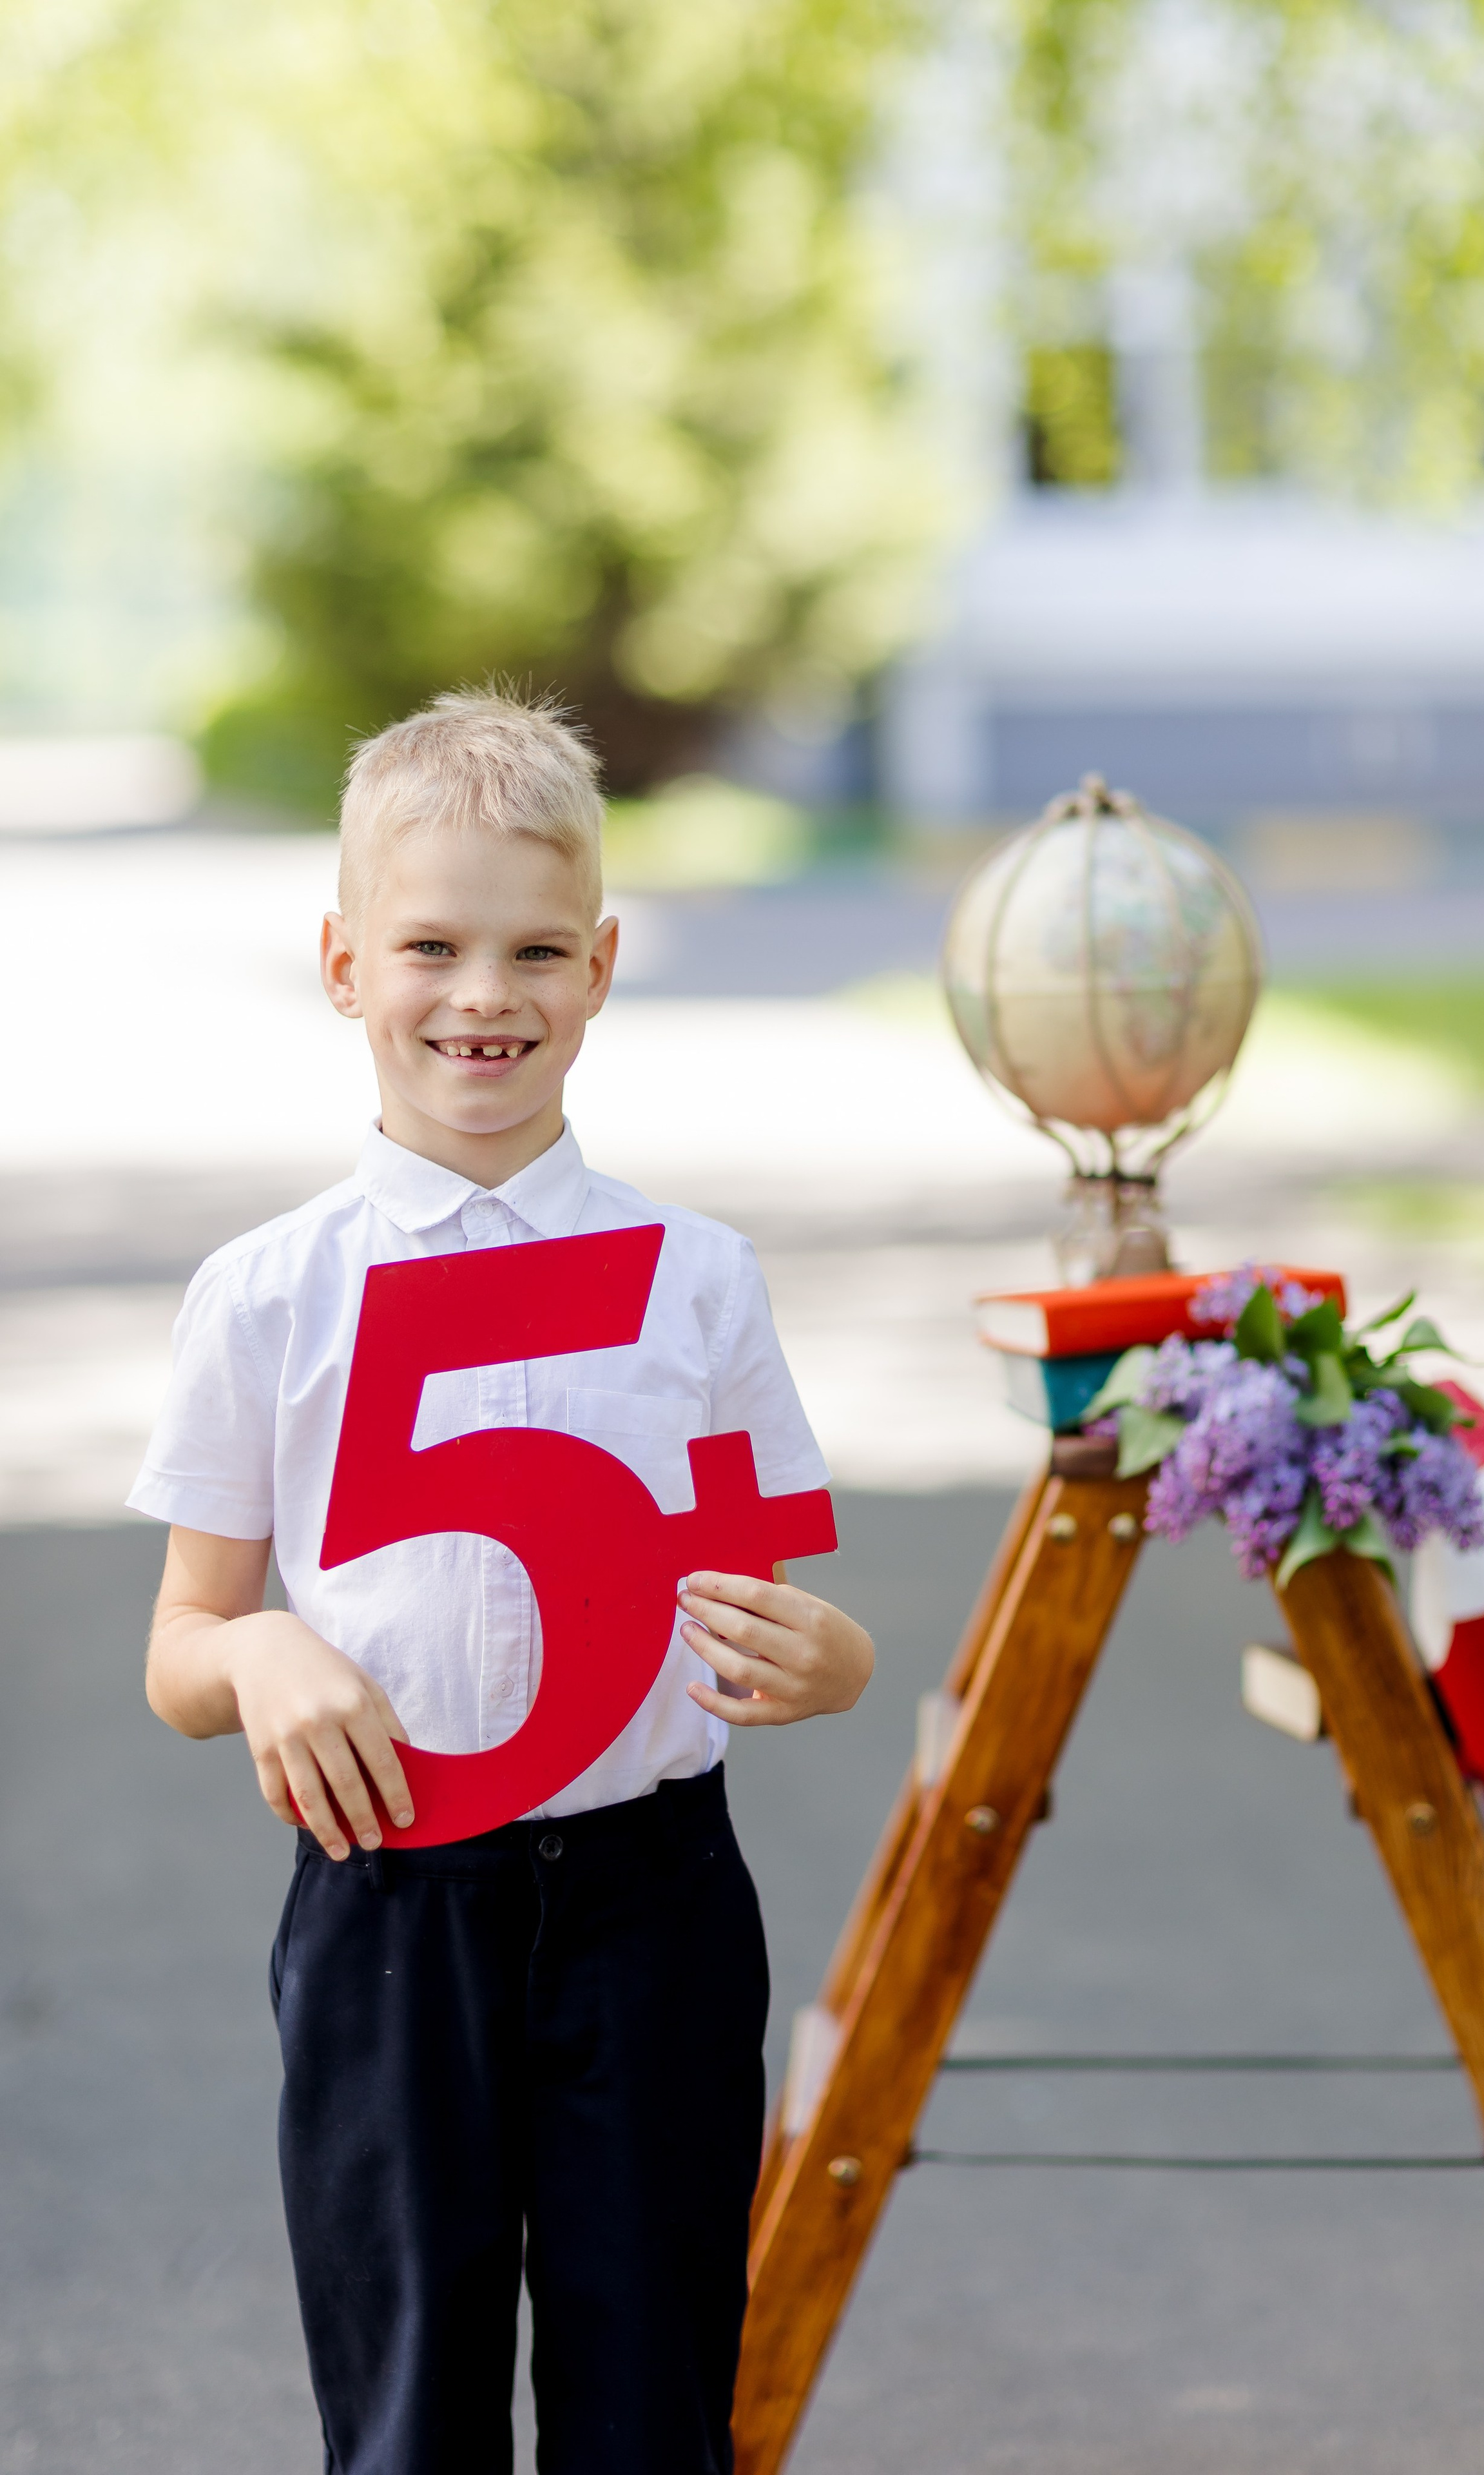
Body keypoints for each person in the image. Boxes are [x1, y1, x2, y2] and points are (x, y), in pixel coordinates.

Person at [130, 689, 874, 2475]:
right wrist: (260, 1655)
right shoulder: (267, 1295)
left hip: (655, 1903)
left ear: (604, 967)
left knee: (654, 2398)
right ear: (341, 964)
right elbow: (179, 1651)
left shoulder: (695, 1280)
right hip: (391, 1901)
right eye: (432, 946)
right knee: (406, 2414)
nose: (486, 994)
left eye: (538, 949)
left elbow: (759, 1599)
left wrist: (835, 1660)